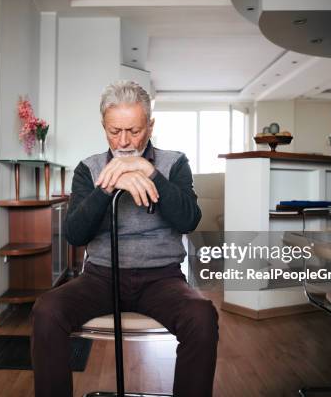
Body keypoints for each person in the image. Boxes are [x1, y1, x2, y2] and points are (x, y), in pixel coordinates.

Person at [31, 80, 219, 397]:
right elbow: (76, 235)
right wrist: (107, 185)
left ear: (150, 125)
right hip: (100, 278)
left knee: (202, 317)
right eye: (114, 131)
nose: (124, 141)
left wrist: (149, 172)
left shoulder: (174, 163)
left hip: (162, 279)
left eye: (133, 131)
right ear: (104, 126)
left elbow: (189, 220)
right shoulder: (88, 169)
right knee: (46, 310)